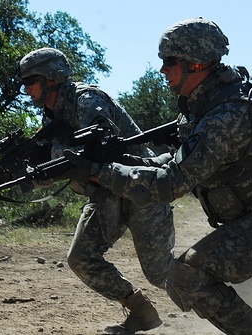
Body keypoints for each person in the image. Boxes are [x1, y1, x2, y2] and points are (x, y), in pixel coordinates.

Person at [64, 18, 252, 335]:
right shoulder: (203, 107)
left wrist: (100, 173)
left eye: (169, 62)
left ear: (197, 62)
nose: (162, 70)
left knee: (185, 275)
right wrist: (119, 164)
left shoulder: (230, 113)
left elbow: (170, 183)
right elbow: (171, 163)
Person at [15, 47, 175, 334]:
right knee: (81, 258)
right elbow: (61, 168)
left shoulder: (87, 99)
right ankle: (141, 312)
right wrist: (32, 172)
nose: (26, 89)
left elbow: (98, 151)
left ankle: (229, 292)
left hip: (139, 188)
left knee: (161, 272)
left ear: (51, 78)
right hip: (104, 192)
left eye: (31, 81)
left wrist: (51, 153)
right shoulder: (50, 118)